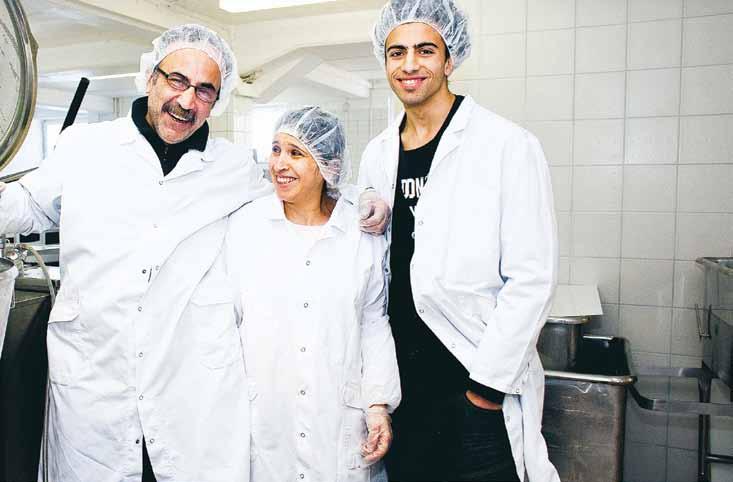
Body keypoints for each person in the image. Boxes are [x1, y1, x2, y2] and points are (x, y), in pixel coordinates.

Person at [0, 24, 271, 482]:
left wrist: (363, 206)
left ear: (218, 100)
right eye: (177, 81)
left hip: (189, 385)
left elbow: (296, 206)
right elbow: (26, 204)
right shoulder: (86, 146)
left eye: (205, 90)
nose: (187, 102)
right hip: (94, 378)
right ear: (151, 78)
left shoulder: (234, 167)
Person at [358, 1, 561, 481]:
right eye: (396, 52)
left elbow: (532, 278)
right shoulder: (378, 154)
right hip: (405, 394)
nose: (409, 65)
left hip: (473, 390)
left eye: (425, 50)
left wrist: (485, 393)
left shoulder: (506, 146)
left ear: (450, 61)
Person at [224, 106, 400, 482]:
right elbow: (226, 324)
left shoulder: (360, 232)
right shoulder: (245, 227)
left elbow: (373, 323)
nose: (279, 164)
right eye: (275, 150)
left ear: (328, 165)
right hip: (266, 423)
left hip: (339, 424)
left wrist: (377, 406)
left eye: (296, 153)